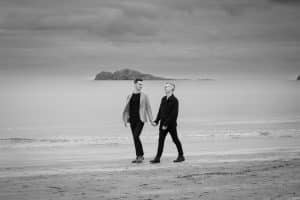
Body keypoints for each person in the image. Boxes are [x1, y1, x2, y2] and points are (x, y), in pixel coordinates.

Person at [150, 82, 185, 163]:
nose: (165, 87)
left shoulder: (175, 100)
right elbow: (160, 111)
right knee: (161, 140)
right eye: (165, 86)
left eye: (168, 86)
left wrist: (166, 124)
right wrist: (156, 121)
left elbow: (174, 114)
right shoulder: (163, 99)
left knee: (175, 139)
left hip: (171, 125)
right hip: (162, 124)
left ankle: (181, 156)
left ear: (172, 89)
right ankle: (157, 158)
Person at [122, 78, 153, 163]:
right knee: (135, 138)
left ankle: (140, 155)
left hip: (141, 119)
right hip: (132, 120)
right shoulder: (129, 96)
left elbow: (148, 108)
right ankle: (138, 156)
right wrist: (125, 120)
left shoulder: (144, 96)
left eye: (142, 84)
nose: (141, 86)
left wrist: (151, 120)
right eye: (139, 84)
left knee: (136, 136)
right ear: (135, 84)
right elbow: (127, 109)